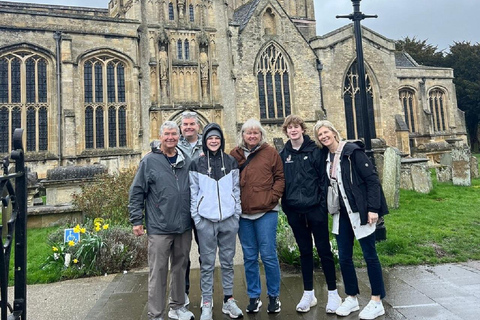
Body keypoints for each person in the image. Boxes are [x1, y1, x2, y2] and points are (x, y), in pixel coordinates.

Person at [314, 120, 388, 320]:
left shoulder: (352, 152)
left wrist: (373, 208)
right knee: (344, 257)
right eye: (319, 134)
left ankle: (376, 300)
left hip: (360, 211)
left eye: (326, 132)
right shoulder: (325, 157)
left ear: (334, 132)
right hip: (341, 214)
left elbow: (372, 179)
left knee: (369, 255)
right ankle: (352, 297)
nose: (323, 136)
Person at [128, 121, 194, 320]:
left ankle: (177, 307)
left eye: (174, 134)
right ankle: (156, 314)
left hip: (183, 225)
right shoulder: (150, 161)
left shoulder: (186, 160)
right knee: (158, 271)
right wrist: (136, 220)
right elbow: (137, 191)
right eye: (167, 134)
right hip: (160, 227)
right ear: (161, 137)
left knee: (180, 267)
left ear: (179, 136)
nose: (171, 137)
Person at [279, 115, 342, 314]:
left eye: (296, 127)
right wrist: (287, 208)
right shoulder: (283, 154)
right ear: (286, 131)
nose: (293, 130)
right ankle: (309, 293)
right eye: (290, 128)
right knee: (304, 252)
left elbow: (323, 179)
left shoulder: (315, 151)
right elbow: (282, 182)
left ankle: (333, 293)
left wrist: (321, 206)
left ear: (302, 129)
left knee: (324, 251)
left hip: (315, 210)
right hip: (295, 212)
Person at [230, 118, 285, 314]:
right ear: (242, 135)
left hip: (266, 212)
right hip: (244, 214)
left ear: (261, 135)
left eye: (256, 133)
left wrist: (272, 197)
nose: (252, 136)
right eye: (248, 133)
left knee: (269, 255)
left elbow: (280, 177)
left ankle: (274, 296)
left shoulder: (270, 152)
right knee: (249, 257)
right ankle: (254, 297)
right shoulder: (234, 155)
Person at [189, 123, 243, 320]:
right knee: (207, 264)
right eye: (210, 138)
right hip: (206, 222)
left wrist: (236, 214)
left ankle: (228, 300)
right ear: (205, 141)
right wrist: (197, 218)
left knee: (228, 262)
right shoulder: (196, 163)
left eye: (217, 138)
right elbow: (193, 193)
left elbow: (236, 189)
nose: (213, 141)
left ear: (221, 141)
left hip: (228, 220)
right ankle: (206, 303)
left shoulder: (230, 162)